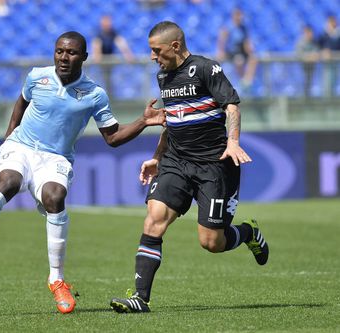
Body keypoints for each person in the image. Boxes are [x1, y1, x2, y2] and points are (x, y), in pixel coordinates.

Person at [0, 31, 165, 314]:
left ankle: (57, 280)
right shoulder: (37, 76)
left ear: (84, 57)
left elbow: (113, 137)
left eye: (71, 52)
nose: (64, 57)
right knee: (9, 181)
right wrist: (8, 138)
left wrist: (144, 121)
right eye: (60, 51)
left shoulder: (95, 94)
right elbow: (21, 104)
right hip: (22, 146)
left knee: (55, 197)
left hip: (56, 157)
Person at [110, 21, 269, 313]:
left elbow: (231, 106)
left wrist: (232, 142)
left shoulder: (207, 69)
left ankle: (247, 233)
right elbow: (172, 123)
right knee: (154, 217)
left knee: (211, 242)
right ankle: (140, 298)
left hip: (214, 166)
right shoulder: (163, 78)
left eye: (156, 50)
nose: (151, 57)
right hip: (177, 162)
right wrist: (158, 157)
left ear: (175, 46)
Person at [91, 15, 134, 98]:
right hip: (102, 62)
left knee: (110, 81)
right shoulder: (99, 34)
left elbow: (121, 43)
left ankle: (110, 97)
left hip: (110, 61)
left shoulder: (113, 33)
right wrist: (97, 56)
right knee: (102, 80)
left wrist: (127, 54)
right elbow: (96, 45)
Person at [217, 8, 257, 91]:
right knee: (239, 60)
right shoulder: (229, 27)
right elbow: (222, 39)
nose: (240, 18)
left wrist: (250, 50)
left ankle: (247, 80)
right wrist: (221, 51)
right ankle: (241, 80)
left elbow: (246, 41)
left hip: (241, 50)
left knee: (253, 59)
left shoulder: (243, 28)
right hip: (232, 51)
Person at [295, 25, 320, 97]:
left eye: (311, 32)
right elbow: (299, 55)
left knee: (310, 86)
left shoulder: (314, 42)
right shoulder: (300, 43)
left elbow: (316, 53)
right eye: (308, 32)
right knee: (302, 86)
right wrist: (309, 57)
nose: (310, 34)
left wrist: (311, 57)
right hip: (301, 69)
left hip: (311, 68)